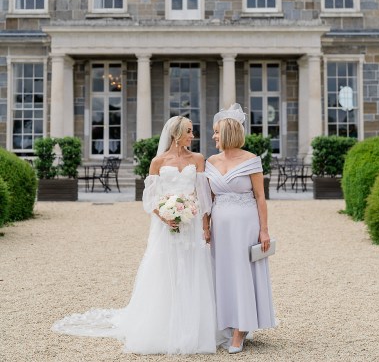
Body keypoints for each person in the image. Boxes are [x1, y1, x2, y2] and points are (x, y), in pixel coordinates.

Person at [52, 116, 217, 355]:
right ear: (176, 134)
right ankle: (164, 326)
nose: (193, 136)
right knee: (165, 270)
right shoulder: (158, 162)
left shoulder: (198, 159)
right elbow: (150, 199)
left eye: (193, 132)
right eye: (189, 131)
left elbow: (203, 196)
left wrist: (205, 227)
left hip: (191, 226)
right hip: (167, 226)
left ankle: (195, 327)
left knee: (193, 270)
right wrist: (166, 216)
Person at [205, 103, 276, 354]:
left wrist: (264, 230)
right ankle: (226, 321)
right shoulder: (211, 161)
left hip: (246, 226)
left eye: (216, 132)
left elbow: (260, 197)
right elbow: (208, 199)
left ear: (226, 133)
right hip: (220, 229)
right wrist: (206, 227)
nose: (212, 136)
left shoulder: (251, 160)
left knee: (243, 271)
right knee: (222, 272)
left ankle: (241, 328)